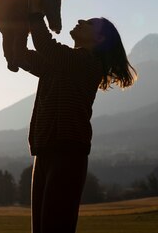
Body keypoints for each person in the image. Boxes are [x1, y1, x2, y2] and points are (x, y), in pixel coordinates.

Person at [18, 12, 137, 233]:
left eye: (90, 23)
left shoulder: (87, 63)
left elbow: (46, 46)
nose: (81, 21)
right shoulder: (62, 62)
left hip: (67, 154)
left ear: (100, 39)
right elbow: (25, 56)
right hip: (45, 153)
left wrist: (33, 11)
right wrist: (13, 36)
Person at [0, 0, 77, 72]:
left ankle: (10, 59)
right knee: (21, 31)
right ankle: (19, 58)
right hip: (16, 1)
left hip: (1, 0)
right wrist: (56, 26)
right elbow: (53, 8)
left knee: (7, 34)